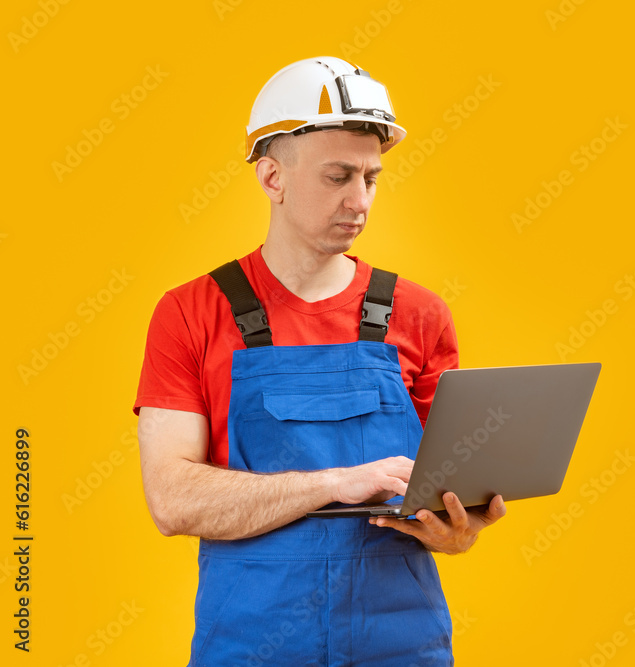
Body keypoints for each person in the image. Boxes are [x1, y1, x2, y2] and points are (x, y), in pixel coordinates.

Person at [133, 56, 506, 666]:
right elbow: (172, 500)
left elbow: (450, 492)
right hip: (251, 648)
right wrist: (336, 483)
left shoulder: (419, 314)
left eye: (371, 177)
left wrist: (459, 530)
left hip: (403, 647)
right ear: (272, 177)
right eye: (338, 176)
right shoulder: (190, 314)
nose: (360, 200)